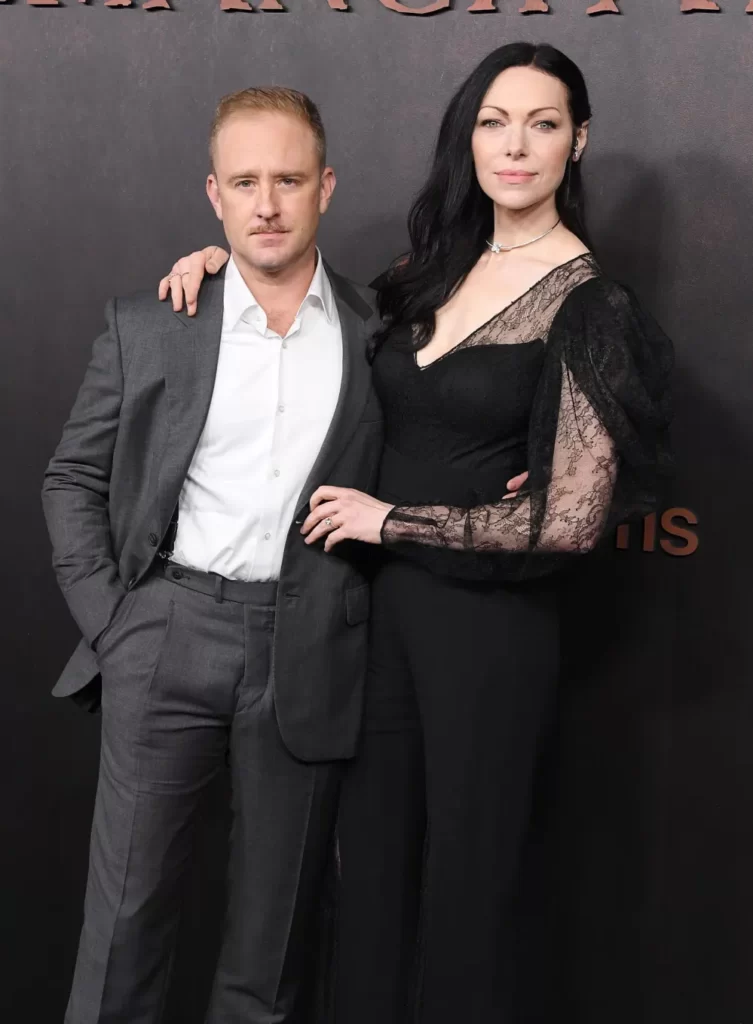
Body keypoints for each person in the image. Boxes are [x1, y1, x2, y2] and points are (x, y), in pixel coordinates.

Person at [162, 43, 673, 1024]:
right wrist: (220, 265)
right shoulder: (423, 272)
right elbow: (307, 313)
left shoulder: (590, 303)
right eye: (493, 122)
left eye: (542, 123)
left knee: (472, 883)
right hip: (377, 619)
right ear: (466, 138)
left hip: (489, 631)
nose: (514, 146)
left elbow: (568, 520)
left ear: (577, 142)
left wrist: (388, 518)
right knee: (369, 875)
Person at [42, 86, 388, 1024]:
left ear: (325, 187)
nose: (266, 204)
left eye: (287, 180)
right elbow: (71, 478)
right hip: (167, 632)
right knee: (123, 927)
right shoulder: (156, 321)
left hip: (309, 649)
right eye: (244, 182)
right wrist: (116, 626)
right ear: (214, 194)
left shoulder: (380, 336)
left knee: (272, 950)